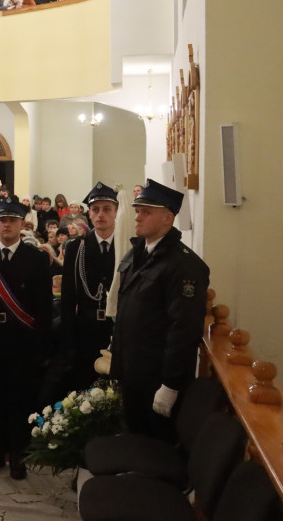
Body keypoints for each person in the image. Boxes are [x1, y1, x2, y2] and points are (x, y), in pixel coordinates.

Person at [111, 179, 208, 440]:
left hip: (156, 378)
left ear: (167, 218)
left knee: (156, 446)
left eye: (146, 212)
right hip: (131, 372)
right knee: (134, 440)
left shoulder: (184, 265)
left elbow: (184, 329)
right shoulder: (138, 252)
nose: (138, 217)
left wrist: (170, 385)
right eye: (138, 210)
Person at [0, 201, 53, 480]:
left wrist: (42, 347)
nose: (6, 224)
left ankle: (18, 456)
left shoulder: (35, 258)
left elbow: (43, 307)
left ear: (23, 224)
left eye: (12, 220)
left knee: (20, 401)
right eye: (1, 220)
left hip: (22, 342)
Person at [61, 183, 119, 392]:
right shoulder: (76, 248)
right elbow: (68, 299)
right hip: (85, 333)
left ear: (116, 212)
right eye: (95, 209)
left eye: (107, 209)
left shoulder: (129, 247)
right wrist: (69, 343)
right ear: (89, 213)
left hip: (117, 333)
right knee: (84, 389)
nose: (100, 214)